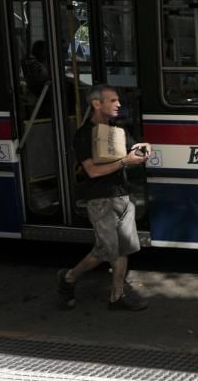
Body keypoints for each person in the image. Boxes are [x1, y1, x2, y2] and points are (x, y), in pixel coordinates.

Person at [57, 84, 150, 311]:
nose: (119, 104)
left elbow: (134, 148)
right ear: (96, 104)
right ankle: (68, 277)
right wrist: (124, 162)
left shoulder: (117, 130)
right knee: (105, 250)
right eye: (113, 100)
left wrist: (145, 147)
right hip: (100, 199)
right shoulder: (84, 135)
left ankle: (116, 297)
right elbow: (93, 171)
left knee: (123, 249)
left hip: (122, 195)